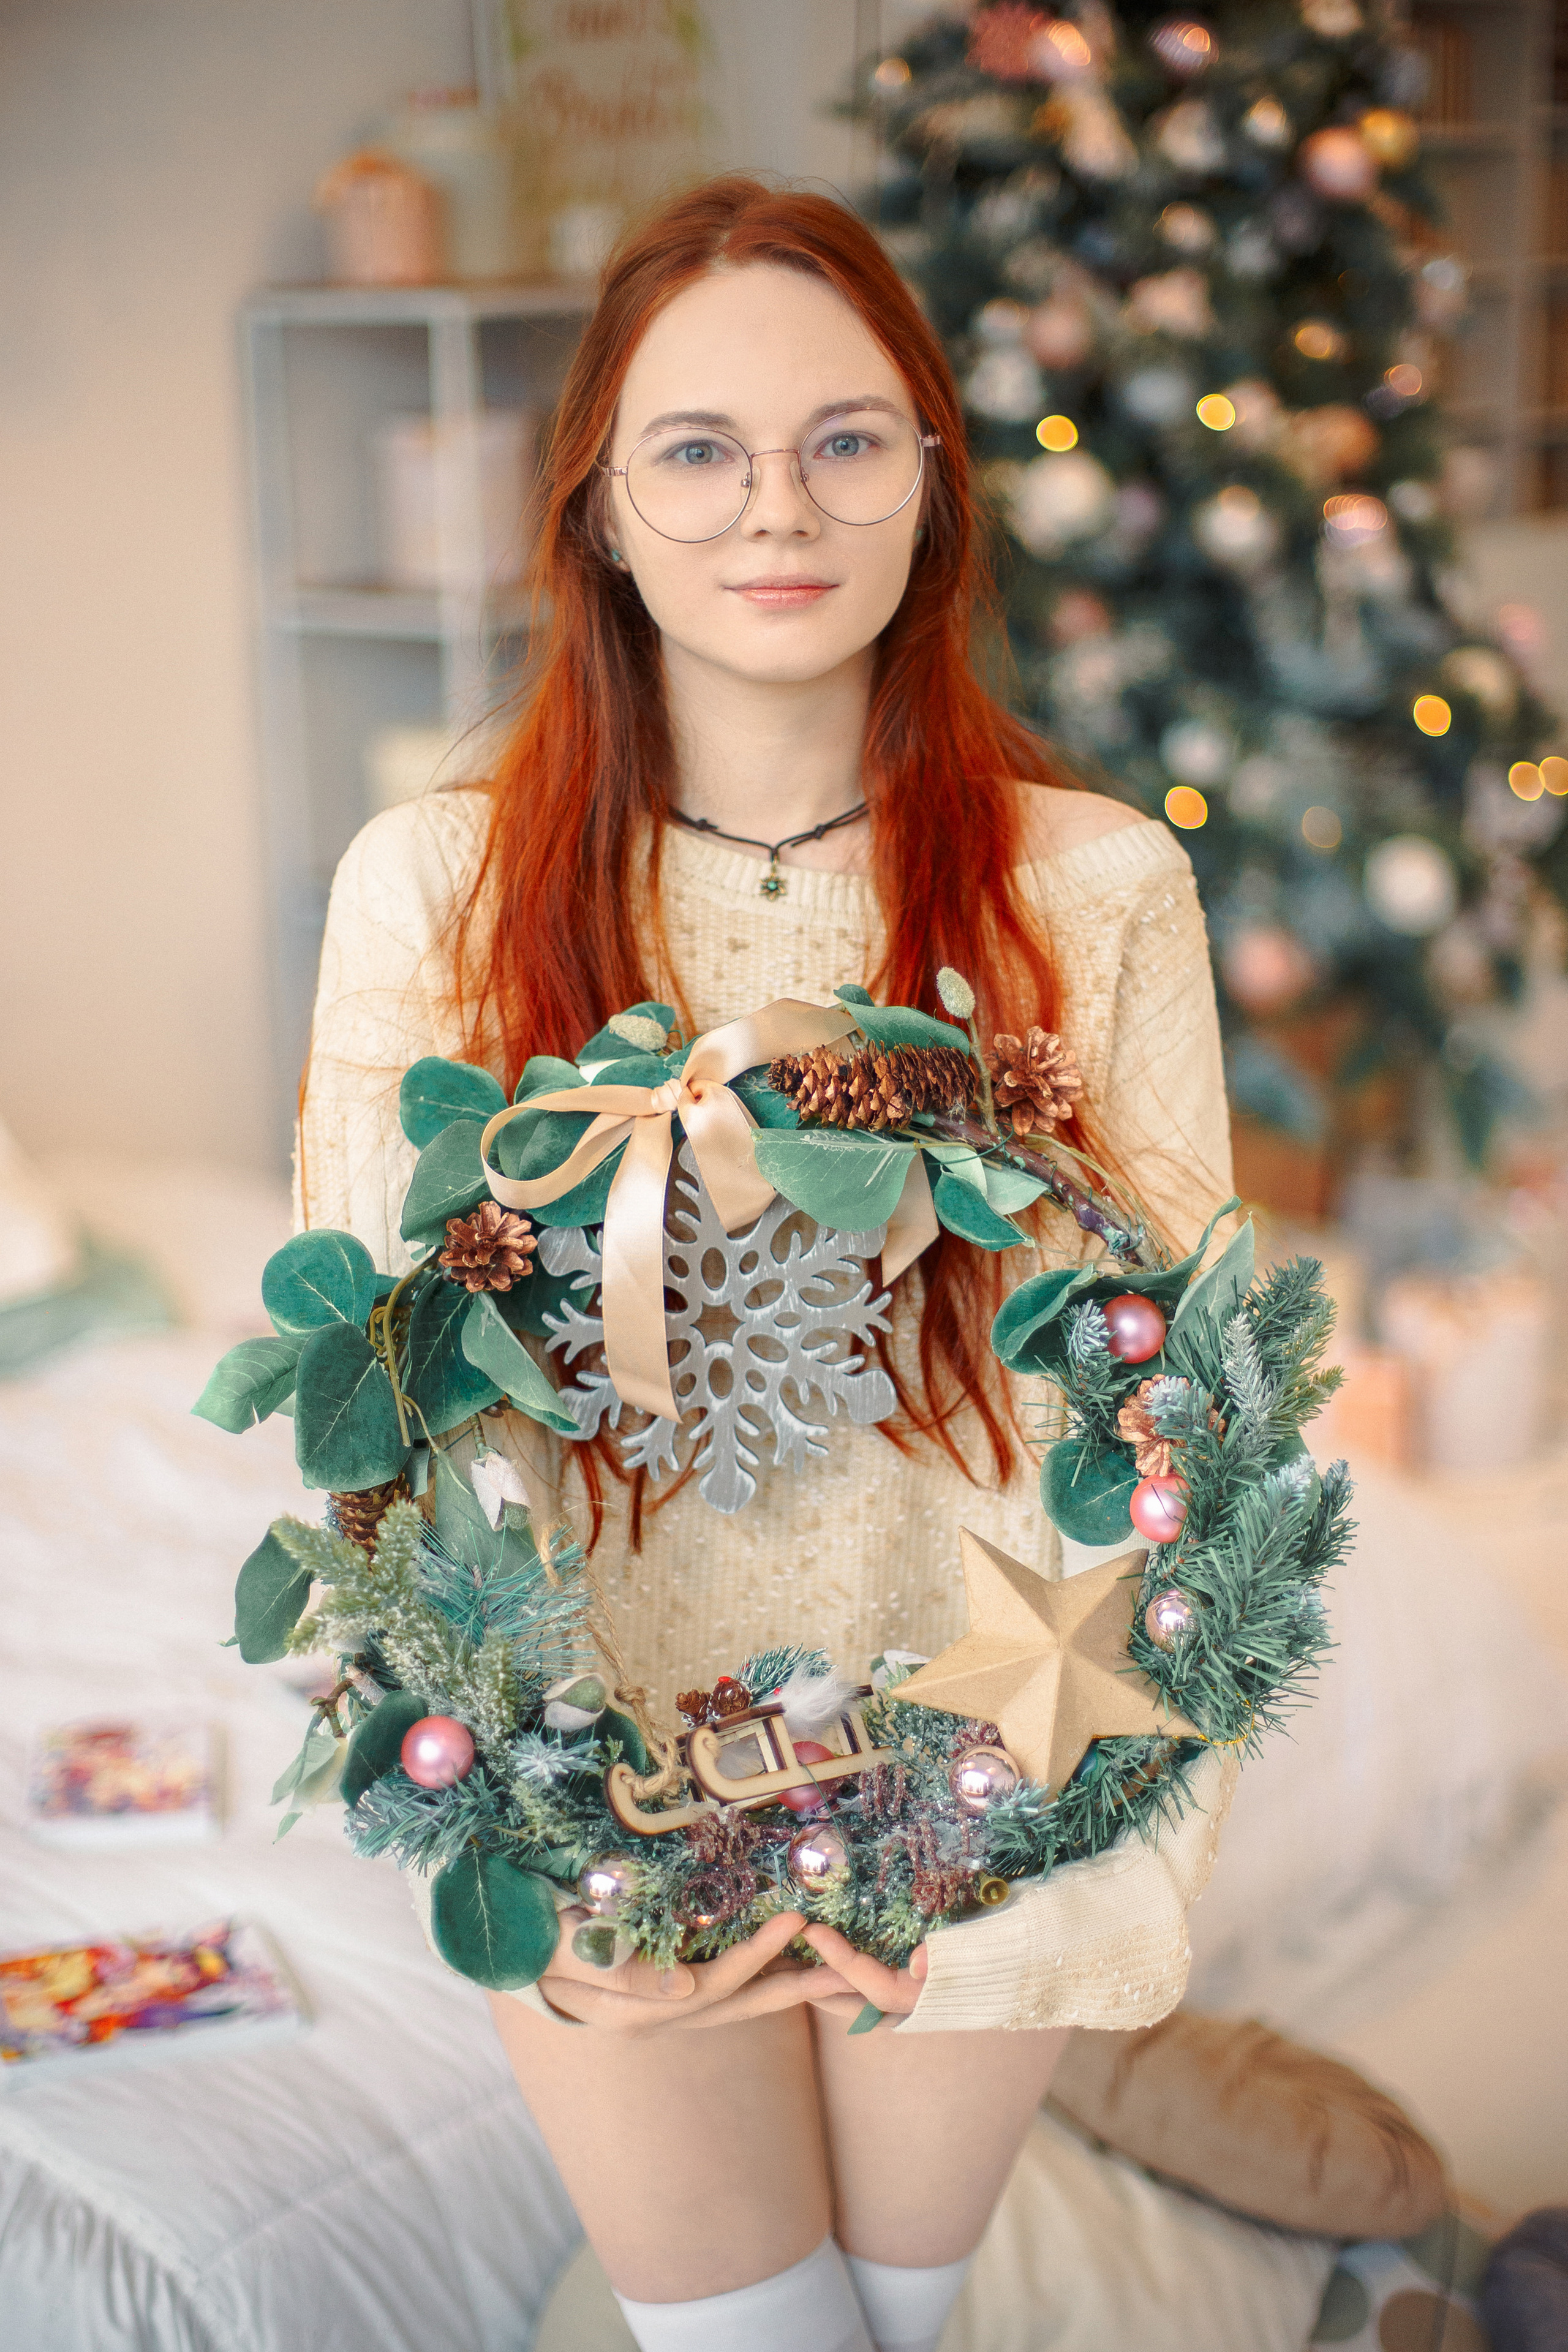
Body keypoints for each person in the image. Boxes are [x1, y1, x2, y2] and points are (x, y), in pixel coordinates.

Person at [298, 178, 1234, 2352]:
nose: (774, 505)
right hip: (607, 1773)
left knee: (900, 2326)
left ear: (932, 478)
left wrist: (1037, 1861)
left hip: (989, 1765)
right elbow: (373, 1425)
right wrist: (547, 1833)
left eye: (847, 435)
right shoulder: (433, 888)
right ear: (603, 511)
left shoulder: (1092, 890)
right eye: (697, 449)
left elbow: (1197, 1419)